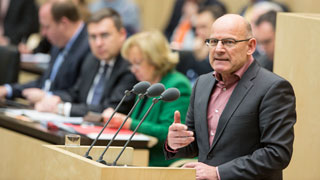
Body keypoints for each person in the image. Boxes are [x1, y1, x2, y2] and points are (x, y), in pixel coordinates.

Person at [165, 14, 296, 179]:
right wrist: (174, 142)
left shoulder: (273, 88)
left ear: (250, 46)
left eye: (229, 42)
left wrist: (218, 173)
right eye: (213, 42)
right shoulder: (202, 84)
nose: (218, 49)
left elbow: (277, 154)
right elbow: (197, 146)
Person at [102, 31, 192, 166]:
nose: (133, 69)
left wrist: (127, 123)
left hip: (162, 162)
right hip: (138, 156)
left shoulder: (177, 85)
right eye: (131, 64)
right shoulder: (146, 84)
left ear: (155, 60)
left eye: (137, 63)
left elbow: (168, 132)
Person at [35, 8, 137, 117]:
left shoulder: (131, 66)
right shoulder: (91, 60)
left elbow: (111, 109)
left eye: (105, 35)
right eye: (93, 37)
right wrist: (55, 99)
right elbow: (75, 93)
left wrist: (62, 108)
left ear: (122, 34)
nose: (98, 43)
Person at [0, 1, 90, 103]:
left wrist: (47, 96)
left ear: (64, 24)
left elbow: (79, 94)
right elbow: (44, 82)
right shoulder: (59, 42)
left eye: (46, 27)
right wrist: (8, 90)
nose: (43, 33)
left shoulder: (90, 46)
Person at [176, 5, 225, 84]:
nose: (198, 32)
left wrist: (200, 59)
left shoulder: (223, 53)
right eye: (196, 28)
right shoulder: (193, 51)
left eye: (203, 27)